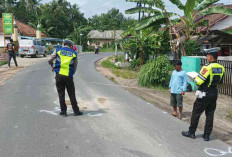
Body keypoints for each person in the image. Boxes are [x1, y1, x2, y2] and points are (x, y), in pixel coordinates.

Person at [182, 48, 225, 141]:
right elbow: (220, 82)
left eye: (207, 56)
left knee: (196, 113)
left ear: (210, 56)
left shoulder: (207, 67)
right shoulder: (221, 68)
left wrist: (194, 78)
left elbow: (198, 82)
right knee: (210, 114)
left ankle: (191, 132)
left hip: (204, 94)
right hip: (214, 93)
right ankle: (206, 135)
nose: (207, 57)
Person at [48, 40, 83, 117]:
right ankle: (76, 111)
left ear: (64, 45)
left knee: (61, 94)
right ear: (70, 45)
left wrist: (52, 66)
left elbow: (49, 59)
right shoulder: (74, 53)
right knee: (71, 94)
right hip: (69, 76)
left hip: (59, 75)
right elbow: (75, 66)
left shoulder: (58, 50)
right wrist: (71, 73)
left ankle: (63, 112)